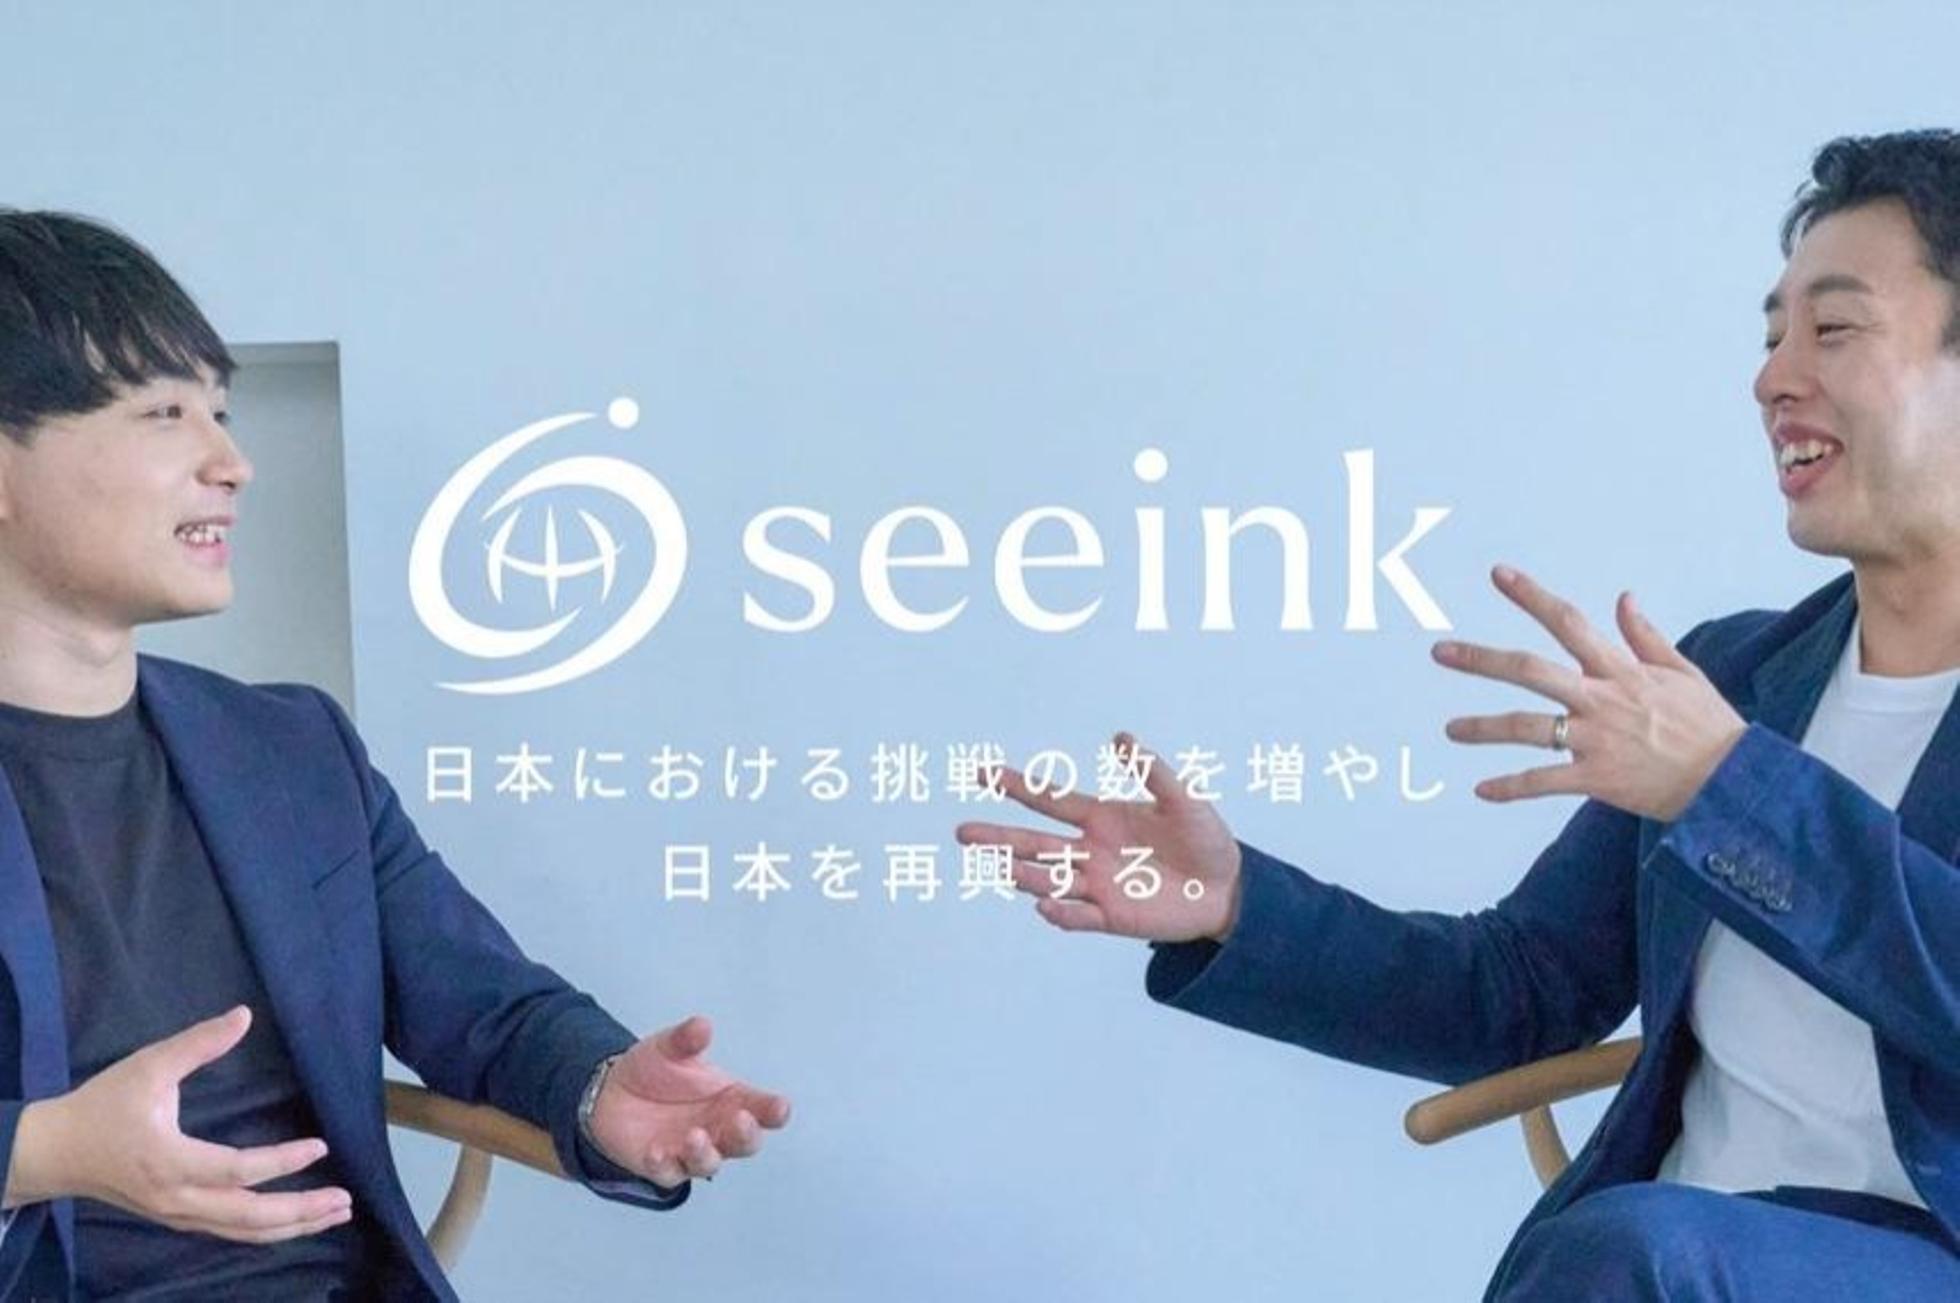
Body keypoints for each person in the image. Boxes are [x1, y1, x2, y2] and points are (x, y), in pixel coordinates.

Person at [958, 129, 1960, 1298]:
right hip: (1665, 1256)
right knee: (1628, 1248)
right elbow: (1517, 989)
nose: (1772, 377)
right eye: (1770, 334)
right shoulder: (1737, 678)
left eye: (1832, 330)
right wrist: (1235, 905)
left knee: (1630, 1248)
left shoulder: (1713, 747)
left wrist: (1728, 791)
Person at [0, 210, 790, 1301]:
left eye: (221, 411)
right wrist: (42, 1151)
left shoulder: (288, 750)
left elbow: (482, 1002)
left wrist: (600, 1086)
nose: (232, 463)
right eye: (163, 413)